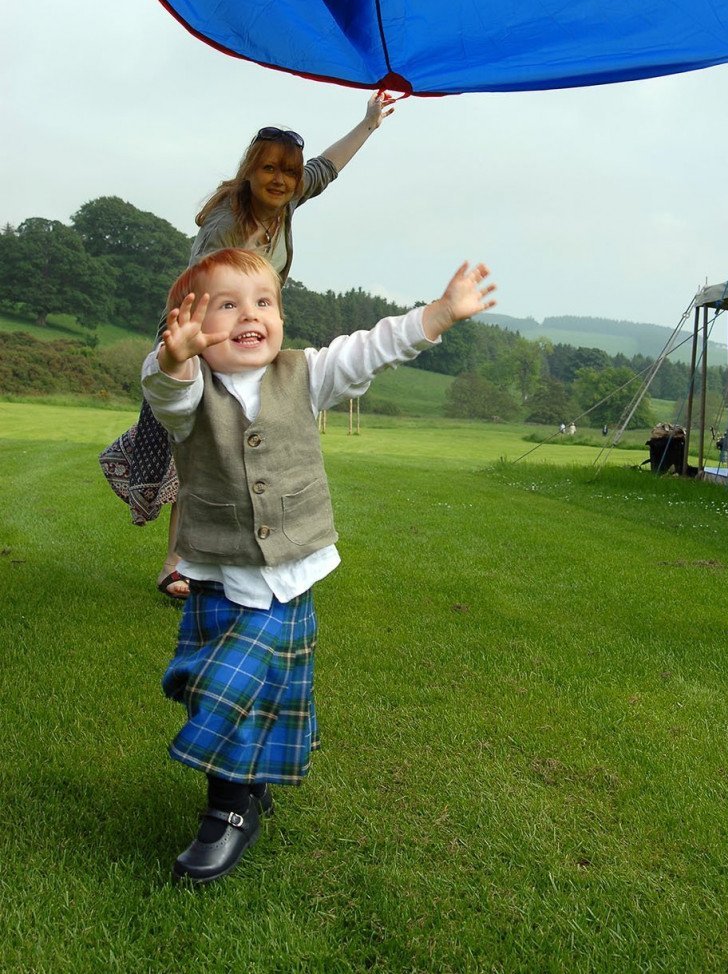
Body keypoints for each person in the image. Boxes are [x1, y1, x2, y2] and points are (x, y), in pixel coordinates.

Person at [142, 247, 496, 883]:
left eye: (264, 303)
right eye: (228, 305)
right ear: (190, 321)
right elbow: (165, 397)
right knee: (214, 689)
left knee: (240, 694)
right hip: (221, 577)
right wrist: (172, 358)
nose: (252, 316)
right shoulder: (190, 386)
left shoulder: (304, 374)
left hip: (290, 579)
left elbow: (370, 348)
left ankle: (228, 810)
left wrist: (440, 314)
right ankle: (251, 782)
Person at [98, 92, 395, 599]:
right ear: (250, 173)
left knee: (235, 452)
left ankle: (194, 560)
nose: (281, 179)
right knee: (199, 451)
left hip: (244, 341)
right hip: (202, 344)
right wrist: (192, 359)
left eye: (289, 172)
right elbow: (198, 295)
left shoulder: (291, 200)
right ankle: (179, 562)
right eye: (269, 169)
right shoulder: (225, 227)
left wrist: (368, 124)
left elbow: (328, 166)